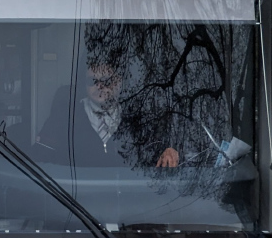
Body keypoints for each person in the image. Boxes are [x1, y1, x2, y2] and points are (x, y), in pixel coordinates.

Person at [35, 62, 180, 168]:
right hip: (76, 204)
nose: (100, 86)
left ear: (120, 82)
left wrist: (169, 151)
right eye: (93, 81)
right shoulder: (63, 118)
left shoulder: (139, 120)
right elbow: (40, 161)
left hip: (131, 202)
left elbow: (162, 152)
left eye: (107, 80)